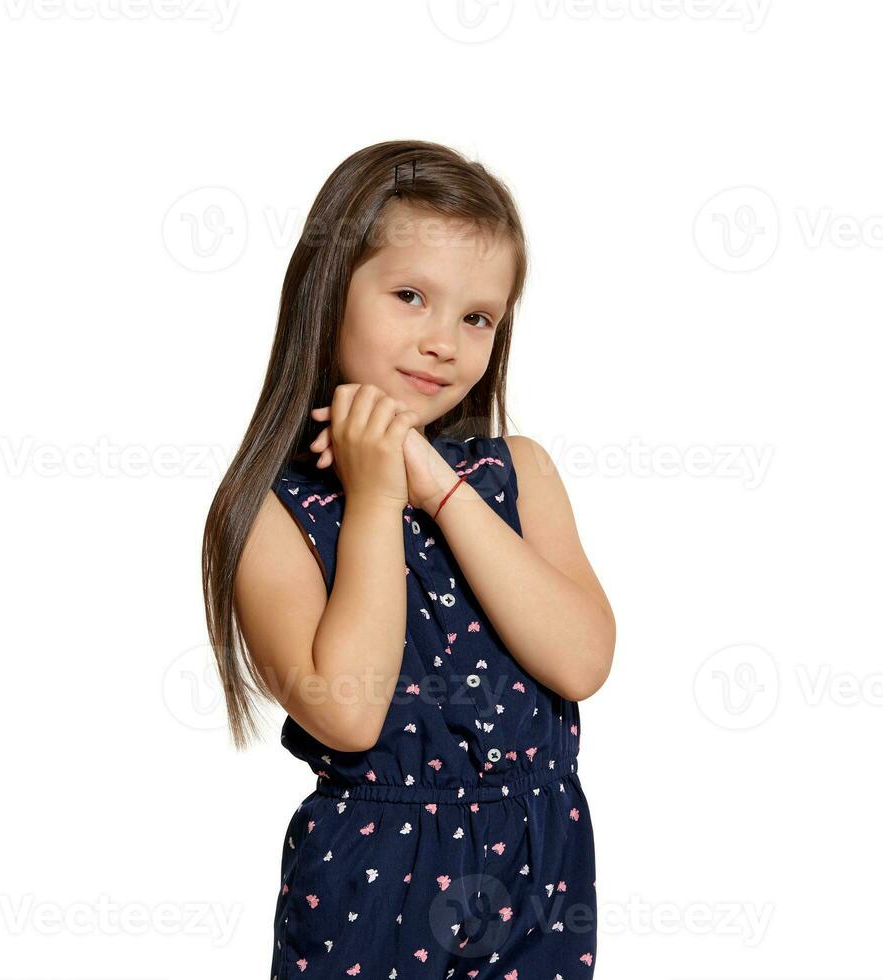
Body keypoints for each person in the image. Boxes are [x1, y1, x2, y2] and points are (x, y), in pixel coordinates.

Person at [201, 139, 616, 979]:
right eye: (410, 296)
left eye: (476, 318)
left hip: (540, 860)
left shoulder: (518, 472)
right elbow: (349, 712)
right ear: (329, 293)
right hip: (375, 874)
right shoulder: (273, 512)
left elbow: (580, 662)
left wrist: (432, 481)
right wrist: (377, 496)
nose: (443, 342)